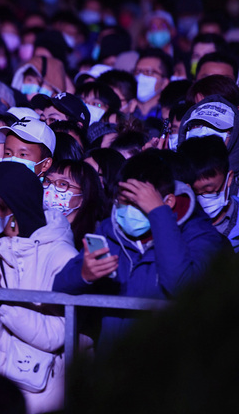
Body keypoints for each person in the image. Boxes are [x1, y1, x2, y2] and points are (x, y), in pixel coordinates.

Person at [53, 150, 228, 350]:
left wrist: (159, 215)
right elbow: (59, 286)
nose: (126, 210)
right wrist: (83, 274)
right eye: (122, 202)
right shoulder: (109, 231)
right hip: (114, 368)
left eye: (136, 203)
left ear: (168, 202)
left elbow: (182, 287)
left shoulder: (201, 237)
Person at [0, 162, 78, 414]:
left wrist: (2, 299)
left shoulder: (62, 256)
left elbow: (54, 336)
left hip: (44, 396)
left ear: (13, 202)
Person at [178, 136, 239, 251]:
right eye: (194, 193)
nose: (202, 200)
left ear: (229, 179)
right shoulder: (176, 224)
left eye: (209, 191)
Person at [43, 160, 107, 249]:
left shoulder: (92, 240)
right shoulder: (35, 226)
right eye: (47, 181)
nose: (51, 188)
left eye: (63, 184)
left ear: (83, 196)